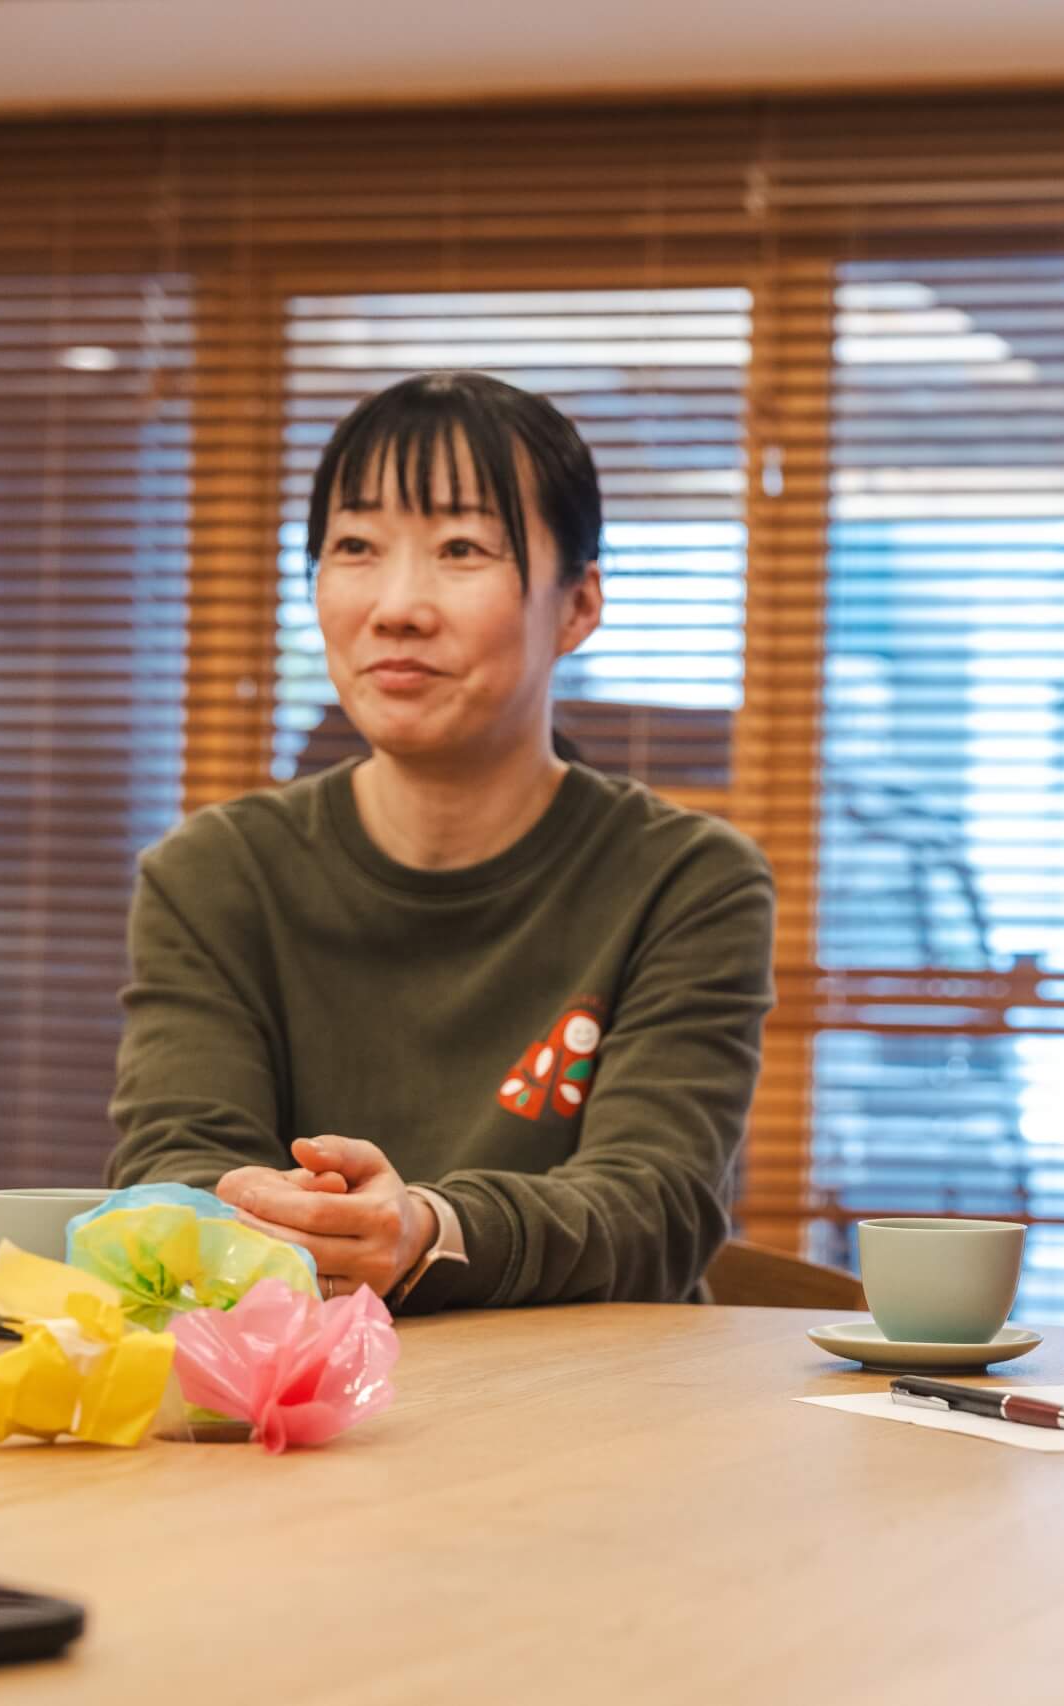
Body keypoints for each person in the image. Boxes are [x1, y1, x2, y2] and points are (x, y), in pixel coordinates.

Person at [108, 372, 775, 1314]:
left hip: (597, 1394)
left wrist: (427, 1231)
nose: (398, 607)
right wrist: (315, 1225)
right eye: (355, 547)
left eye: (462, 548)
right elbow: (174, 1171)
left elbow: (652, 1207)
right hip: (283, 1386)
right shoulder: (214, 874)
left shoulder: (686, 880)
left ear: (578, 605)